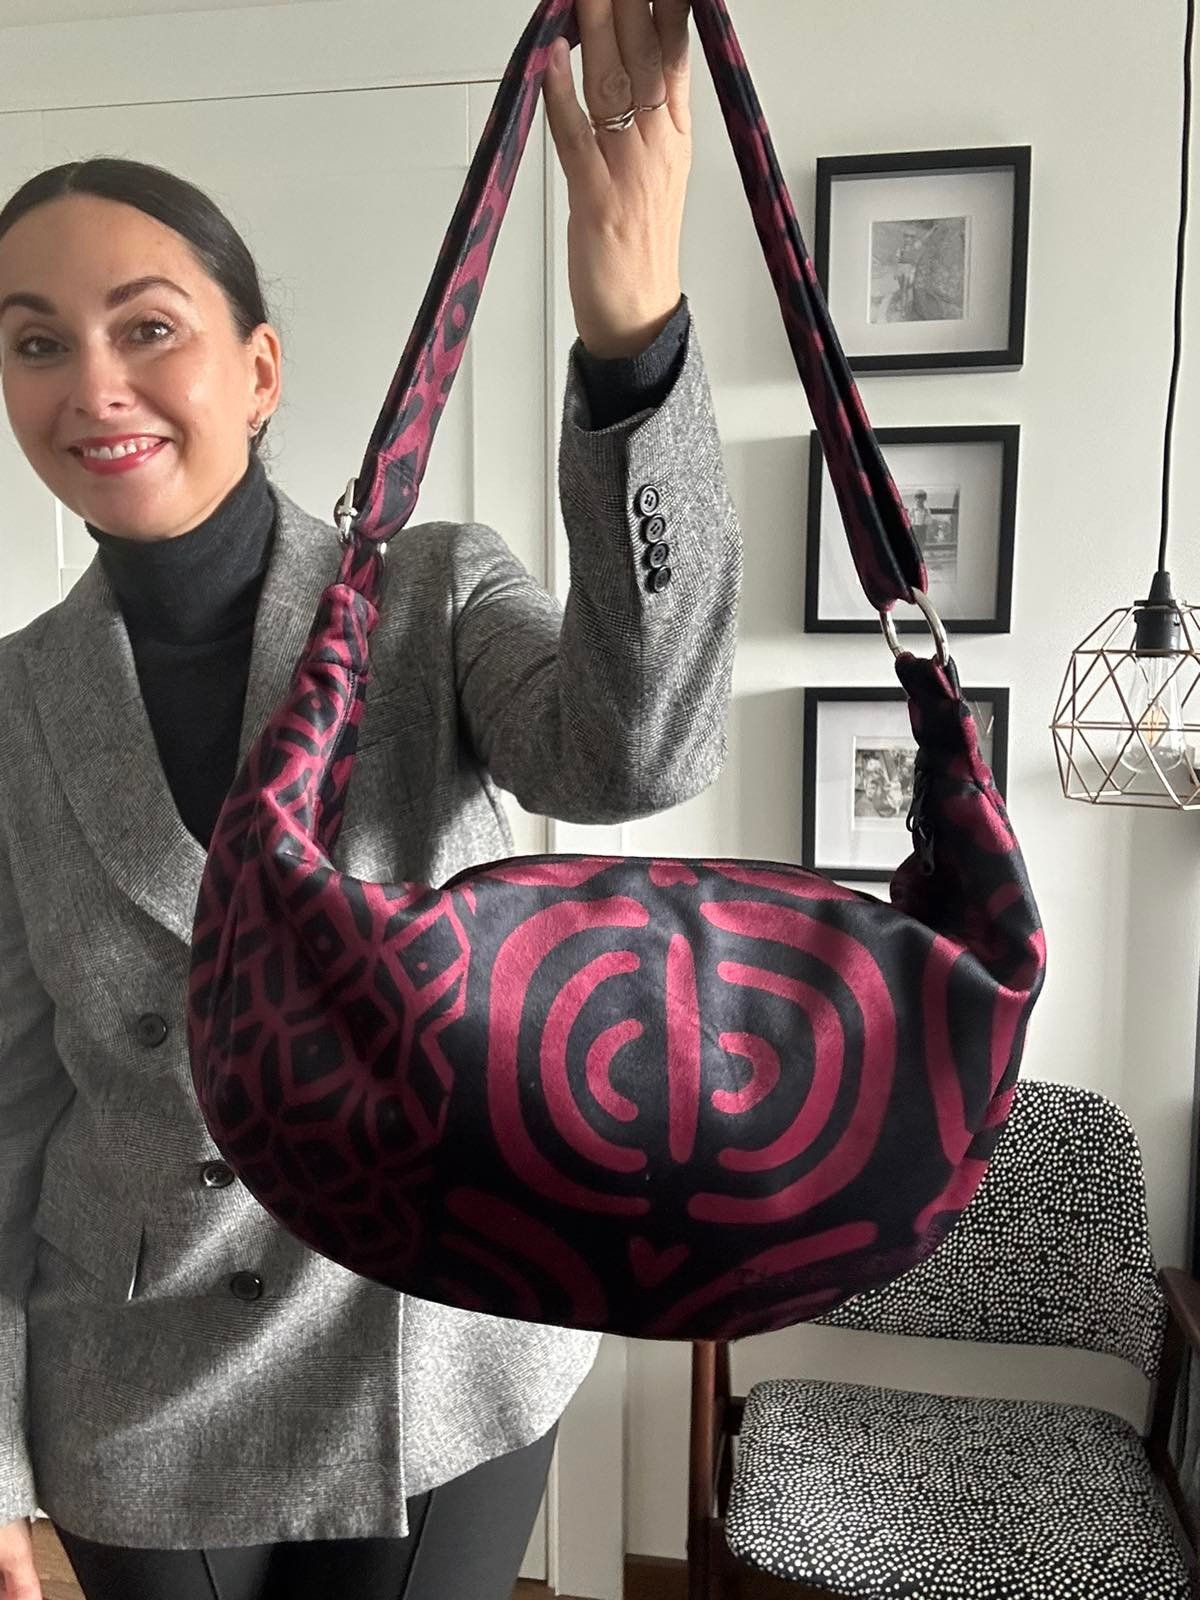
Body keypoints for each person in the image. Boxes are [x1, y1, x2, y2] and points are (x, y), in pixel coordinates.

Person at [0, 1, 742, 1596]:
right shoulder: (8, 707)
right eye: (36, 340)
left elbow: (638, 753)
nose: (93, 382)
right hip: (137, 1367)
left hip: (432, 1329)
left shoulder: (428, 598)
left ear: (258, 368)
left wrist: (634, 345)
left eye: (147, 326)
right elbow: (4, 1104)